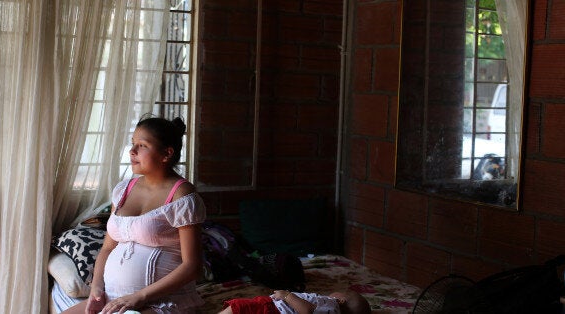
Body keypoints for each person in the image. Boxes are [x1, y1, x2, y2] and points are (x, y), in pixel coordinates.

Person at [63, 115, 206, 314]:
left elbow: (193, 266)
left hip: (163, 301)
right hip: (115, 299)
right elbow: (107, 249)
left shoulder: (182, 196)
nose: (132, 151)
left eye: (142, 145)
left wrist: (139, 297)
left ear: (166, 154)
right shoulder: (123, 190)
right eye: (132, 144)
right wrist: (96, 289)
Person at [218, 289, 371, 314]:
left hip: (274, 309)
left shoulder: (332, 304)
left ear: (341, 300)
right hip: (275, 308)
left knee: (241, 307)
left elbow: (308, 311)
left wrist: (287, 296)